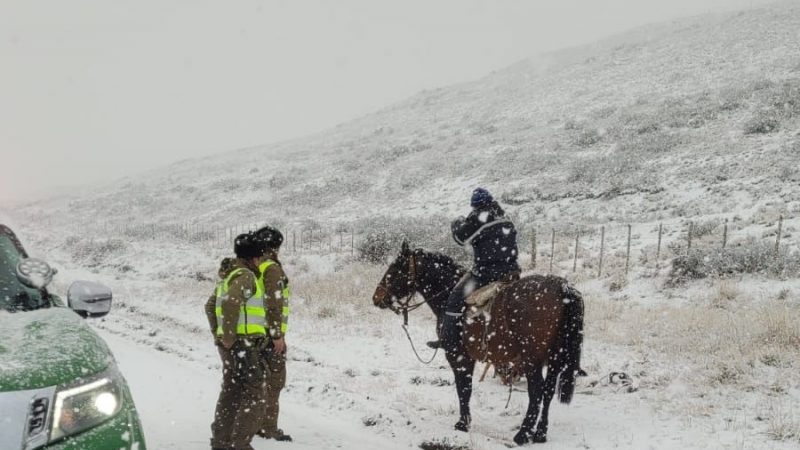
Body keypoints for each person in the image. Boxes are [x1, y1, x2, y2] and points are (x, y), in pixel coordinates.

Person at [429, 187, 521, 352]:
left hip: (486, 273)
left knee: (454, 300)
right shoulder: (505, 217)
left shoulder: (480, 218)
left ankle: (449, 340)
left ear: (475, 205)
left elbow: (460, 238)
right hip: (511, 271)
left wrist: (456, 223)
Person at [205, 232, 270, 450]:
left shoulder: (229, 275)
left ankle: (221, 442)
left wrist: (219, 335)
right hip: (243, 345)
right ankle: (240, 445)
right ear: (255, 257)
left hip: (232, 346)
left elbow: (210, 306)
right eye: (260, 256)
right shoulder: (246, 276)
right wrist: (229, 337)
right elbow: (231, 303)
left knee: (231, 392)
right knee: (255, 394)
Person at [253, 225, 292, 442]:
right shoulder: (271, 268)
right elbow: (274, 303)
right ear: (275, 246)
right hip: (268, 335)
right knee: (275, 381)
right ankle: (268, 427)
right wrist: (277, 335)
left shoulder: (252, 266)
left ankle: (253, 423)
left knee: (257, 381)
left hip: (253, 332)